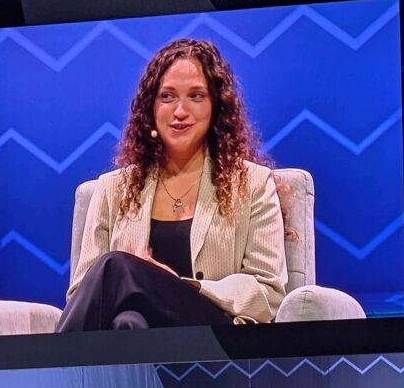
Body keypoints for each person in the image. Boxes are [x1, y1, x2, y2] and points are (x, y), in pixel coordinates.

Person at [56, 38, 287, 332]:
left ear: (216, 106)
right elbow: (83, 293)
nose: (180, 111)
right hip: (142, 333)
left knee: (116, 268)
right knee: (126, 323)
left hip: (214, 333)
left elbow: (267, 292)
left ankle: (54, 373)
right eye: (167, 97)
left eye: (196, 96)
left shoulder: (251, 183)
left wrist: (185, 286)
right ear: (150, 108)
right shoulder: (113, 189)